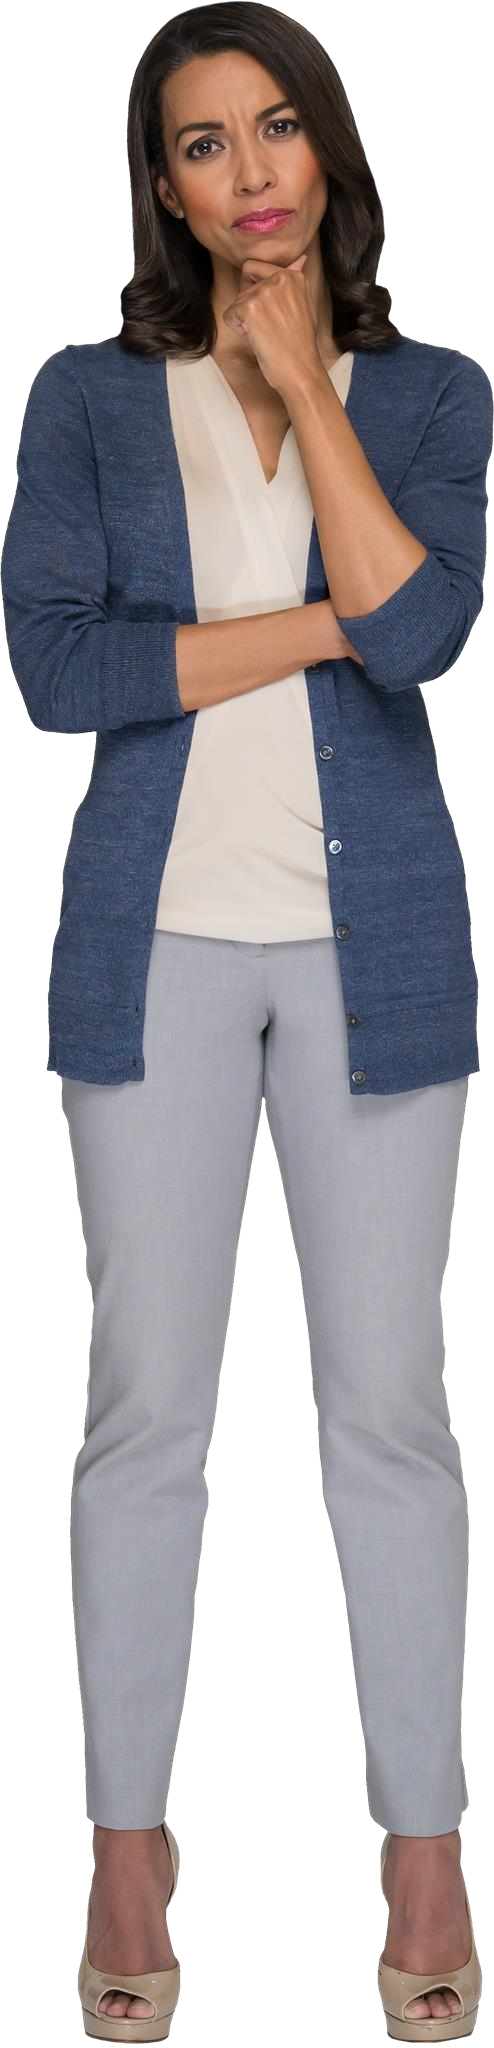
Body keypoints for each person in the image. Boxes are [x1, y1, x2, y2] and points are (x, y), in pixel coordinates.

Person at [2, 16, 489, 2042]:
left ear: (326, 151)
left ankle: (421, 1841)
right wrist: (328, 623)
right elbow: (55, 670)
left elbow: (431, 629)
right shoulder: (85, 395)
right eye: (204, 144)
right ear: (166, 189)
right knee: (145, 1416)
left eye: (276, 126)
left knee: (385, 1414)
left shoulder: (435, 391)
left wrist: (302, 388)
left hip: (378, 958)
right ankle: (129, 1843)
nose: (250, 168)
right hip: (154, 954)